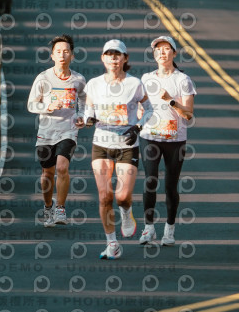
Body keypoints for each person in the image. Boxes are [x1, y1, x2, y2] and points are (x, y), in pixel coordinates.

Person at [84, 39, 154, 260]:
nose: (113, 58)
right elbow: (87, 109)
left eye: (117, 54)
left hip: (127, 145)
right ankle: (112, 243)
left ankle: (126, 212)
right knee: (105, 196)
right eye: (109, 54)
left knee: (122, 196)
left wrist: (138, 126)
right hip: (101, 144)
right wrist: (87, 119)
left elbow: (149, 109)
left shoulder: (135, 84)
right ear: (103, 58)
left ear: (125, 58)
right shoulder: (94, 84)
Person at [138, 36, 195, 246]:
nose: (162, 52)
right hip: (150, 136)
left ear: (174, 53)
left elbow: (188, 114)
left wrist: (171, 100)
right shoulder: (146, 78)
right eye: (158, 49)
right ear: (154, 55)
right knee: (150, 181)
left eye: (166, 49)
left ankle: (169, 229)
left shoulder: (183, 80)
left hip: (175, 139)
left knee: (171, 185)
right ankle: (148, 228)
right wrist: (137, 121)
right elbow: (141, 108)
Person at [27, 35, 86, 227]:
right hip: (46, 132)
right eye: (58, 52)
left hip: (68, 131)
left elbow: (85, 101)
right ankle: (48, 207)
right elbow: (31, 104)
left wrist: (82, 116)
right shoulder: (43, 78)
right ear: (52, 56)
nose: (62, 55)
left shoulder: (78, 80)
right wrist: (48, 107)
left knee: (62, 167)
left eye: (66, 51)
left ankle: (60, 208)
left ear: (72, 55)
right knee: (47, 173)